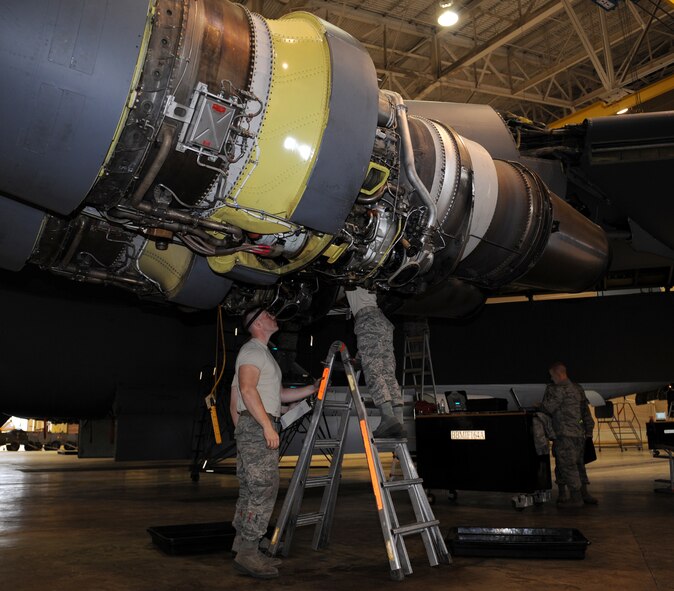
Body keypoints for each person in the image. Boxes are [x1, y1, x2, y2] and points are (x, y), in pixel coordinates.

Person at [230, 307, 318, 579]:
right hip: (259, 424)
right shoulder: (252, 351)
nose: (274, 317)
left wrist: (313, 389)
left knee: (251, 488)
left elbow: (278, 394)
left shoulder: (263, 354)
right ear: (257, 323)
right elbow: (246, 389)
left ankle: (243, 544)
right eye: (268, 315)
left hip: (254, 425)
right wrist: (266, 426)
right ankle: (248, 552)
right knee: (263, 489)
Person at [346, 287, 405, 438]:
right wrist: (360, 358)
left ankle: (387, 418)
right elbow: (371, 347)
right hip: (381, 322)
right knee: (388, 373)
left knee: (374, 372)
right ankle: (398, 421)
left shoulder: (353, 273)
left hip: (367, 319)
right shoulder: (370, 279)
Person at [540, 362, 598, 508]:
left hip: (564, 434)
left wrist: (538, 407)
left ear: (558, 374)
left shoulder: (557, 390)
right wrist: (588, 431)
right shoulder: (577, 388)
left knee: (568, 465)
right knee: (573, 464)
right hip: (577, 434)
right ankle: (565, 493)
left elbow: (548, 408)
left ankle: (577, 497)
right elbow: (585, 412)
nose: (551, 379)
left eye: (552, 376)